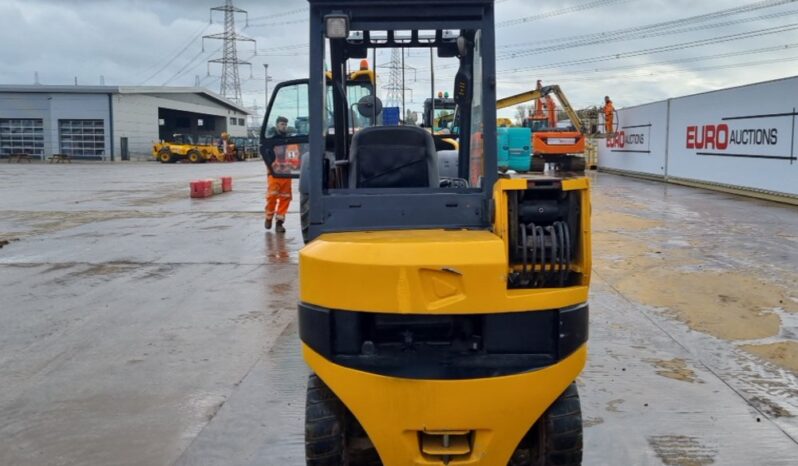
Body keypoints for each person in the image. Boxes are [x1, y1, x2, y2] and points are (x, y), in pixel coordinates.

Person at [262, 116, 293, 233]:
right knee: (272, 196)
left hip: (286, 173)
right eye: (281, 124)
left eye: (285, 124)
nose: (284, 126)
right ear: (276, 125)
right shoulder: (270, 139)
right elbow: (266, 154)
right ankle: (268, 217)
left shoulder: (290, 140)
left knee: (285, 198)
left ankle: (279, 223)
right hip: (274, 173)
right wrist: (271, 166)